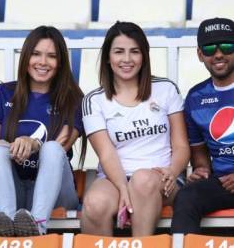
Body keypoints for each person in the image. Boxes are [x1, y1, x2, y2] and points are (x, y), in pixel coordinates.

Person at [81, 21, 190, 236]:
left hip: (162, 178)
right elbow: (106, 153)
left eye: (134, 52)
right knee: (95, 204)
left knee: (142, 180)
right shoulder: (94, 100)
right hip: (115, 178)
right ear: (108, 57)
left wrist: (173, 171)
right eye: (119, 52)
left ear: (144, 56)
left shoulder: (166, 89)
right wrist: (123, 189)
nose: (127, 59)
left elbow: (180, 145)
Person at [0, 25, 86, 237]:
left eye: (52, 56)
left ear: (61, 62)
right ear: (26, 56)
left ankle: (37, 226)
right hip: (7, 191)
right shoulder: (2, 93)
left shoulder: (73, 99)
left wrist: (33, 142)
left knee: (53, 149)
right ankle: (7, 224)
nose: (42, 62)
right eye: (36, 54)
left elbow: (62, 145)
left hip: (54, 194)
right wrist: (17, 144)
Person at [171, 17, 234, 234]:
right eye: (209, 48)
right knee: (188, 197)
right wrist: (201, 169)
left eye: (227, 46)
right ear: (200, 54)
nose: (218, 54)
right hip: (223, 182)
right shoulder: (196, 98)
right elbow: (198, 151)